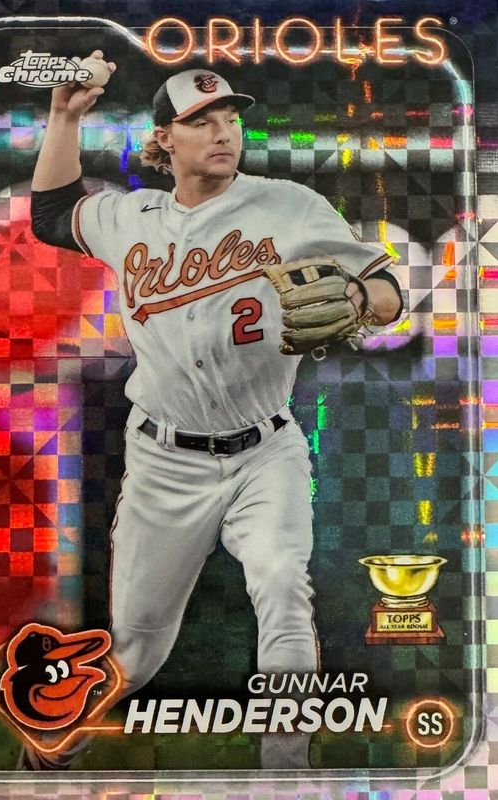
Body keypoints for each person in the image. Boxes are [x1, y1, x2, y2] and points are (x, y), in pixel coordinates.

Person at [29, 51, 403, 769]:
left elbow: (389, 291)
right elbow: (50, 215)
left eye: (229, 117)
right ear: (164, 138)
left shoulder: (289, 205)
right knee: (134, 649)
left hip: (267, 451)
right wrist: (63, 116)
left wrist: (360, 298)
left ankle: (285, 776)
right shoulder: (130, 217)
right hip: (163, 460)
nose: (223, 132)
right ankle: (50, 757)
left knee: (282, 587)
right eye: (200, 121)